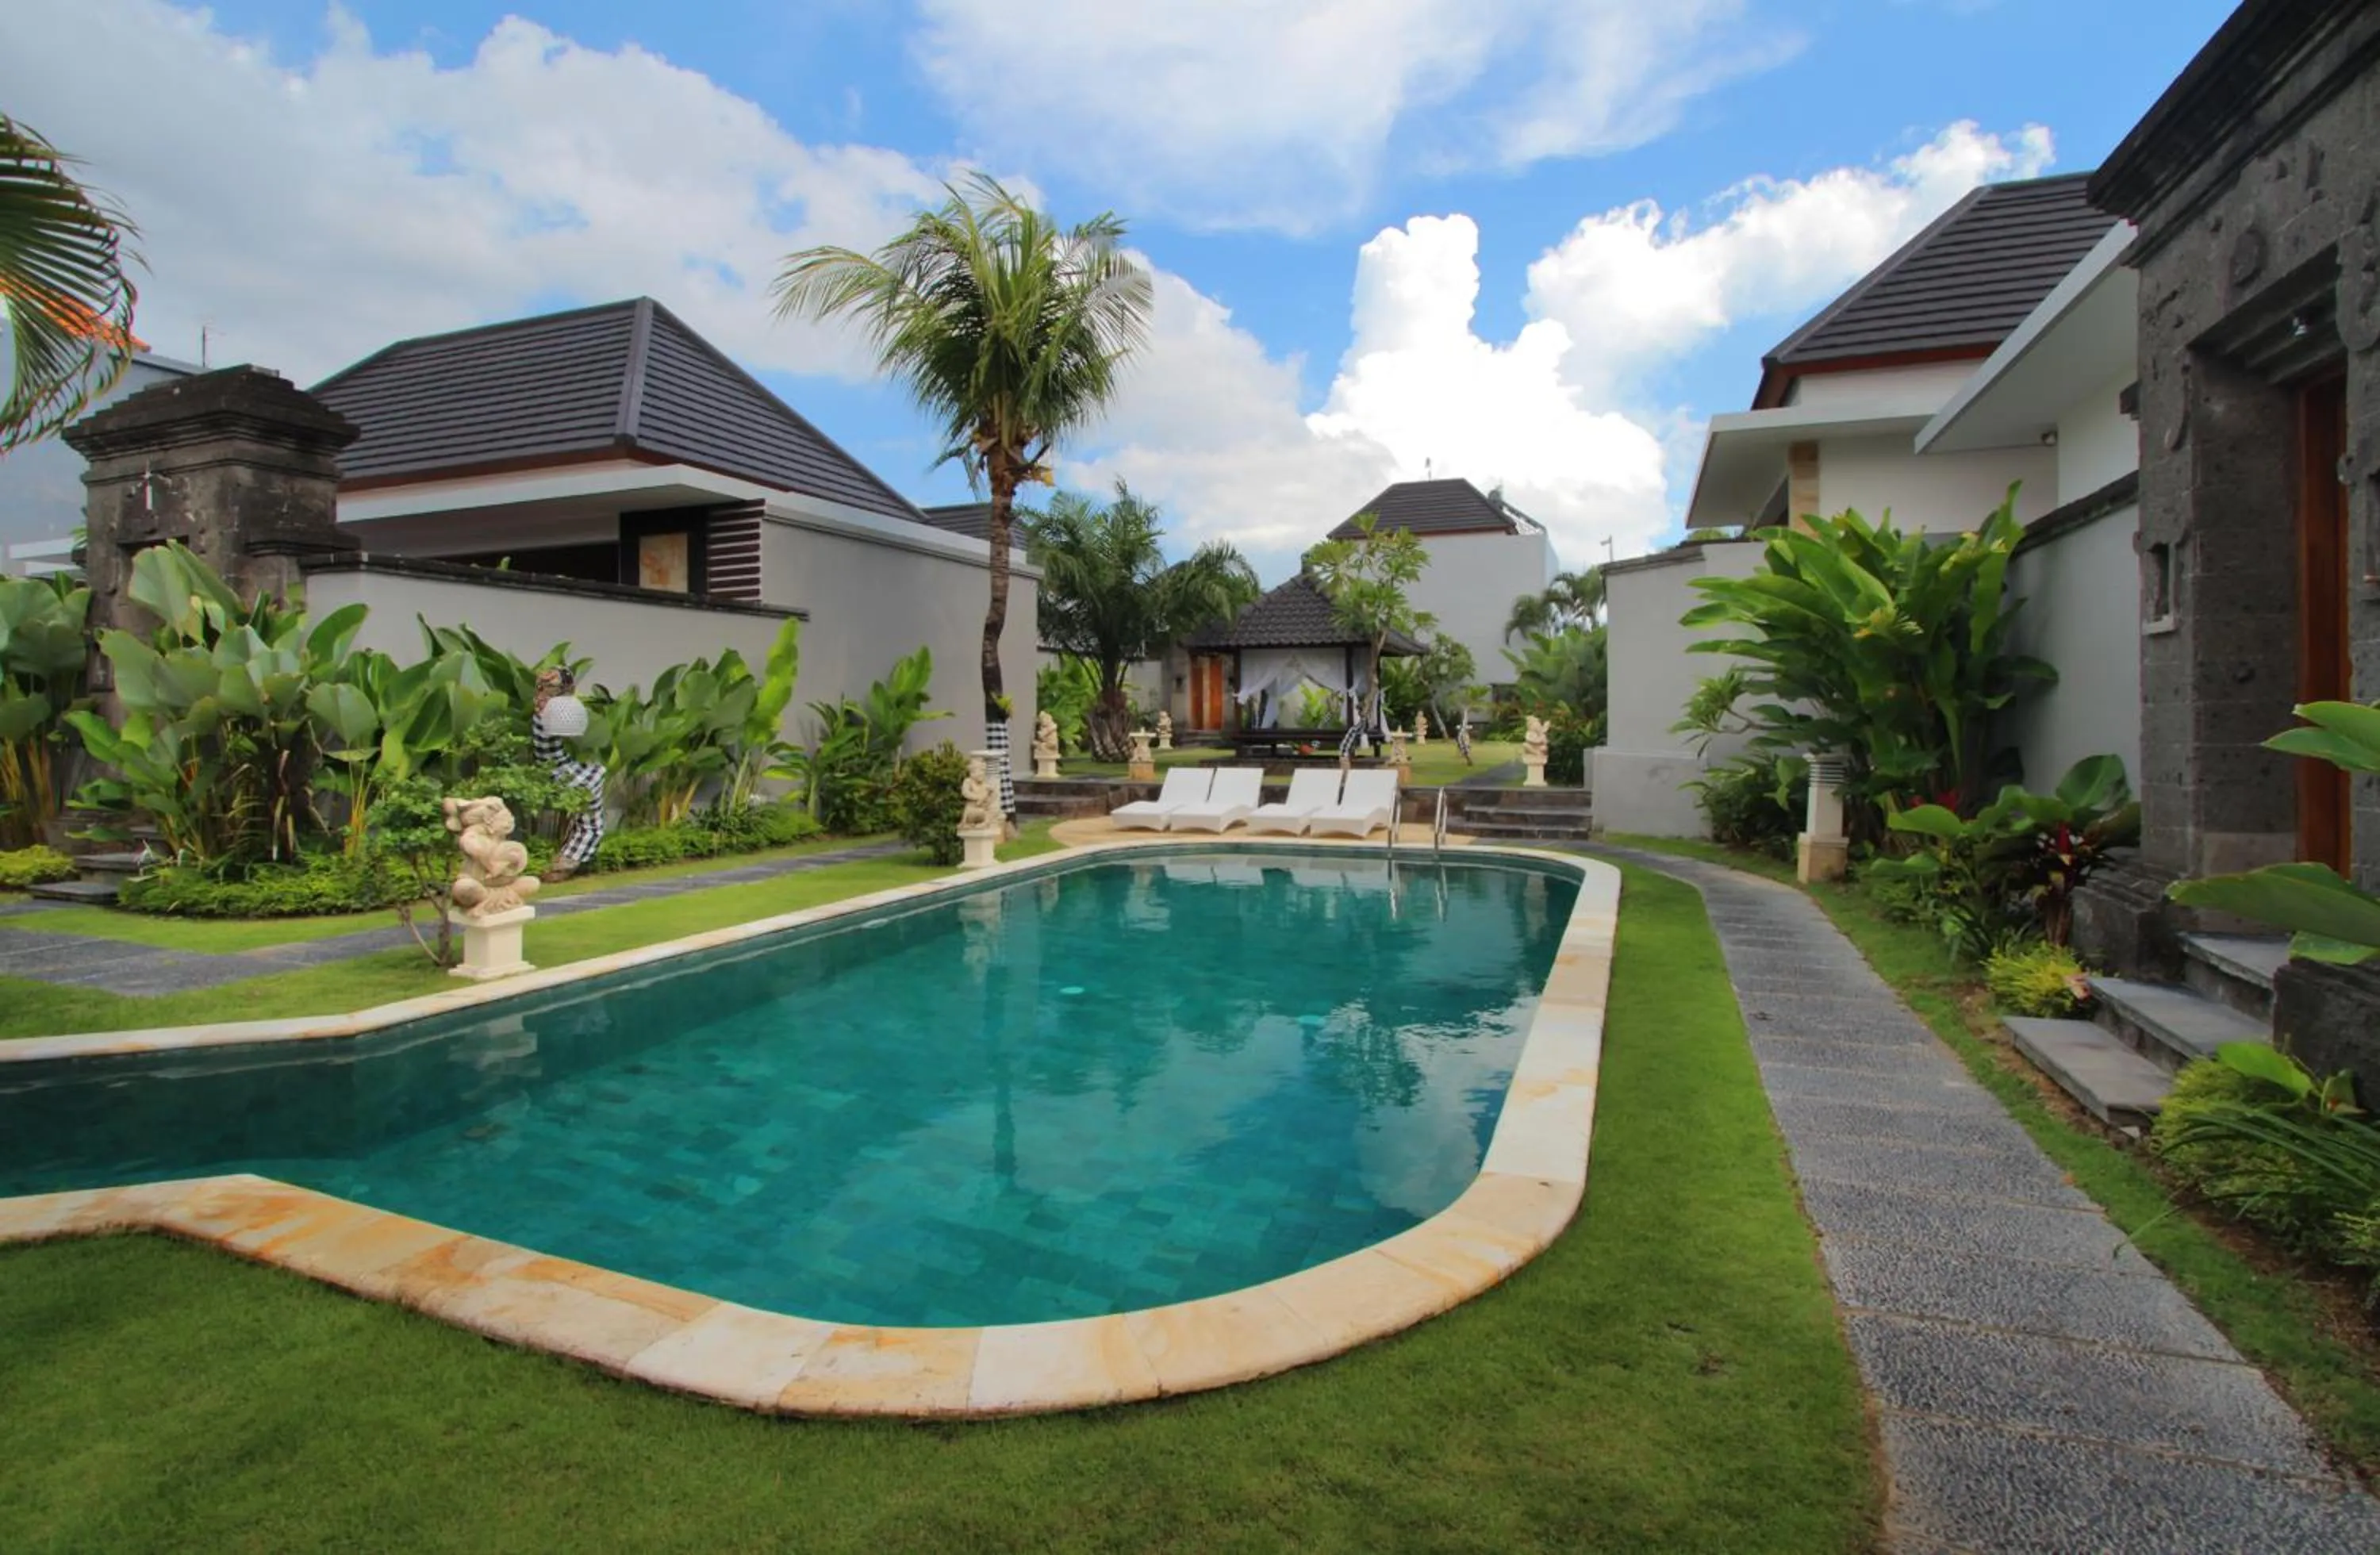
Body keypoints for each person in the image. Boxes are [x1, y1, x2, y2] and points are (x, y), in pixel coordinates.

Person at [532, 667, 607, 879]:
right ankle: (569, 858)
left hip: (556, 764)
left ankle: (569, 858)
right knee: (592, 813)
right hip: (555, 768)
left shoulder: (544, 705)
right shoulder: (553, 708)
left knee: (591, 813)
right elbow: (566, 731)